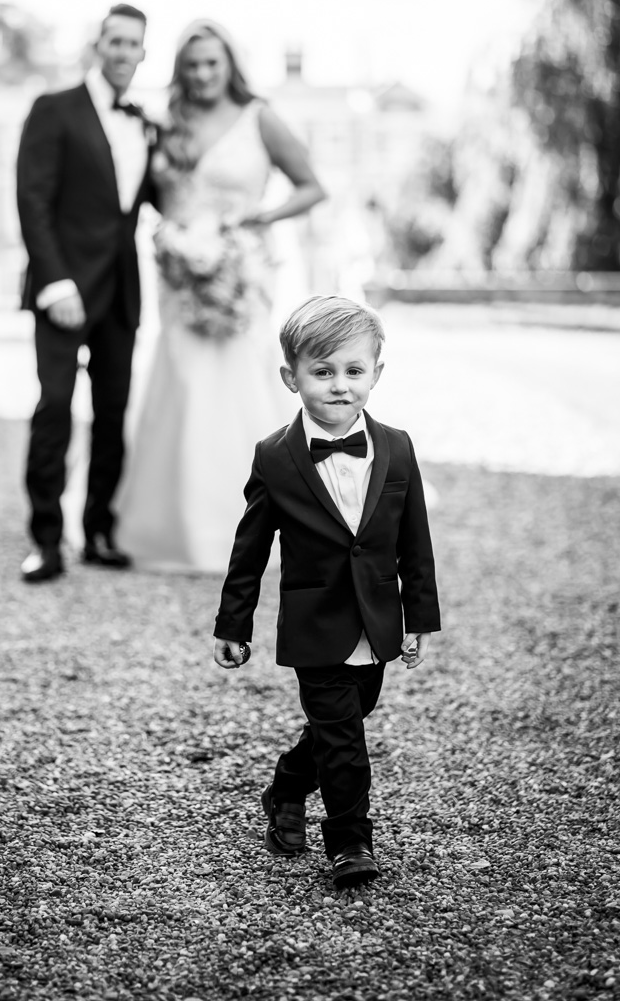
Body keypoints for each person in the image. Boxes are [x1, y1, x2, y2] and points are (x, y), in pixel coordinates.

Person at [213, 295, 441, 888]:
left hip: (377, 619)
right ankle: (349, 843)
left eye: (354, 371)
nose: (340, 386)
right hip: (315, 623)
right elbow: (250, 549)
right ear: (292, 378)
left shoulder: (397, 447)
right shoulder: (275, 457)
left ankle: (286, 788)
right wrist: (233, 624)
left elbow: (415, 541)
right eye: (323, 372)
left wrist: (418, 616)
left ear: (377, 374)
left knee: (350, 714)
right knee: (344, 739)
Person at [116, 20, 326, 571]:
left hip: (241, 271)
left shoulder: (261, 118)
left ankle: (265, 522)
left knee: (240, 383)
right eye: (192, 65)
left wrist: (262, 217)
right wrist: (175, 240)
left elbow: (312, 186)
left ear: (230, 64)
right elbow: (156, 196)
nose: (203, 74)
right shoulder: (168, 124)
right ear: (180, 72)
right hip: (180, 275)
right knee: (182, 380)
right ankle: (176, 526)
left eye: (213, 62)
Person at [16, 3, 158, 582]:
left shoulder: (146, 122)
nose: (125, 53)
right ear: (97, 46)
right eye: (116, 42)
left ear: (144, 55)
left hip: (121, 291)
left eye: (135, 45)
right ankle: (46, 540)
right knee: (54, 408)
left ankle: (97, 530)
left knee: (112, 413)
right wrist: (55, 281)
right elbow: (32, 199)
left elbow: (153, 201)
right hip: (64, 290)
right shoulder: (55, 109)